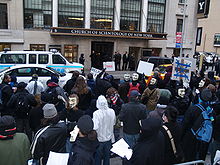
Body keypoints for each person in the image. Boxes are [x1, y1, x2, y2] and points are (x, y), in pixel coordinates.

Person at [182, 88, 214, 162]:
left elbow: (184, 125)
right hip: (203, 142)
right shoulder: (211, 112)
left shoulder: (193, 109)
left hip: (190, 140)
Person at [93, 95, 116, 165]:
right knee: (107, 158)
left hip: (99, 140)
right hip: (109, 139)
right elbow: (114, 123)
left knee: (98, 158)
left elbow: (95, 127)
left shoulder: (96, 113)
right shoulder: (112, 111)